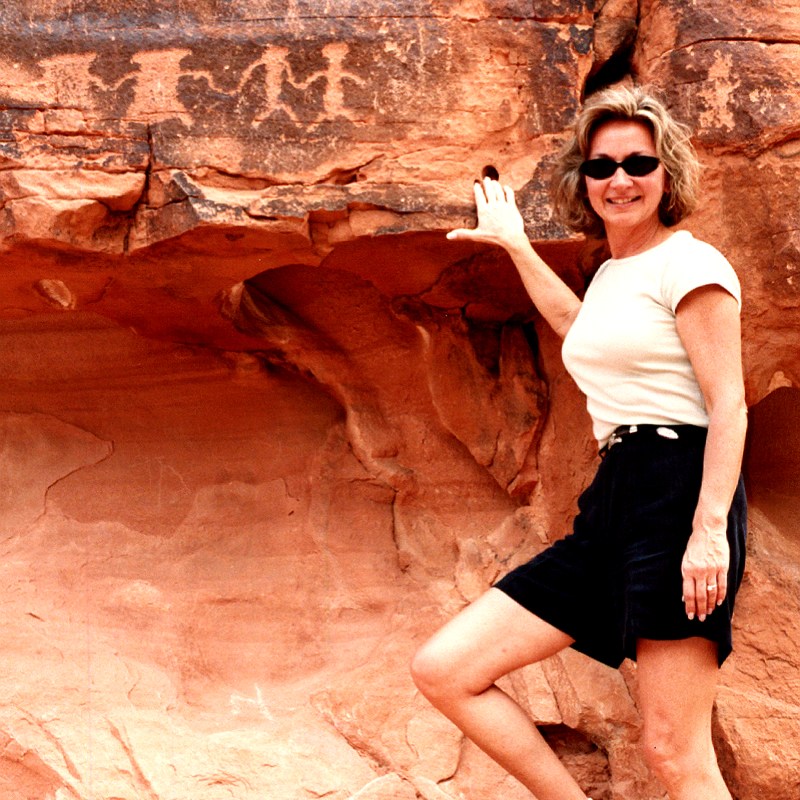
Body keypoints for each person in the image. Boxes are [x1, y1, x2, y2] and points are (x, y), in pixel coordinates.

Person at [410, 83, 747, 800]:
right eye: (601, 167)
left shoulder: (690, 264)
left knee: (674, 752)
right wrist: (515, 245)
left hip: (680, 491)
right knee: (446, 669)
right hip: (614, 500)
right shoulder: (616, 274)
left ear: (667, 174)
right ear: (583, 180)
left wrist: (709, 530)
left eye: (637, 163)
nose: (619, 180)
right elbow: (582, 329)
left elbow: (729, 404)